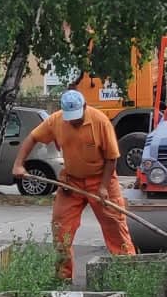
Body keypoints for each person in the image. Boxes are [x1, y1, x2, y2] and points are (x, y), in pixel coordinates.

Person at [13, 89, 136, 281]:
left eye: (77, 117)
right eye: (70, 118)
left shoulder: (100, 122)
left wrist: (103, 187)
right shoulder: (57, 120)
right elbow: (33, 138)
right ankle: (63, 278)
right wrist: (19, 164)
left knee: (115, 227)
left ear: (85, 107)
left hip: (102, 179)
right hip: (71, 182)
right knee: (61, 229)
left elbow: (112, 159)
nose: (73, 122)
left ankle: (129, 274)